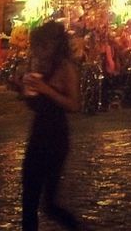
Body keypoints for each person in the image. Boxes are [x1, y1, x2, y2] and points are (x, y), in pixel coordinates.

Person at [13, 20, 80, 231]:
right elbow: (38, 105)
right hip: (38, 135)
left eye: (43, 46)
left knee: (49, 205)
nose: (39, 51)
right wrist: (21, 90)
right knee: (28, 199)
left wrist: (46, 89)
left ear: (55, 45)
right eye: (37, 46)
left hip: (56, 138)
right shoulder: (39, 66)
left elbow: (73, 104)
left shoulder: (66, 68)